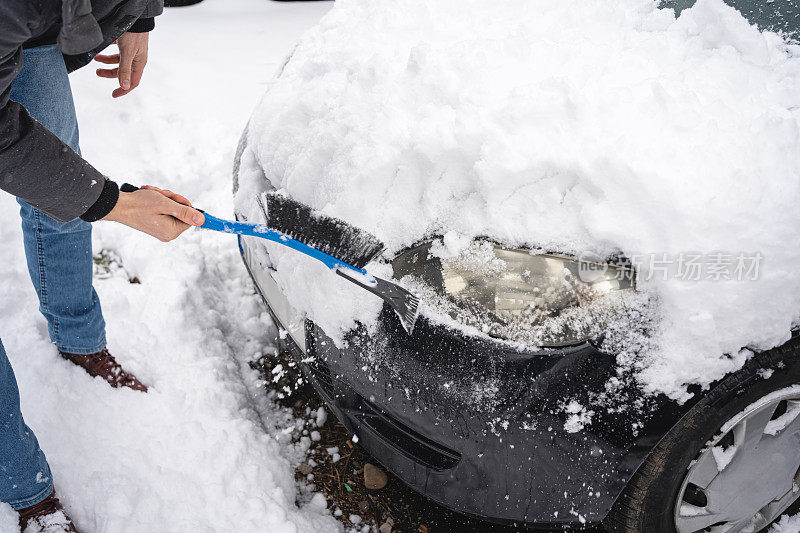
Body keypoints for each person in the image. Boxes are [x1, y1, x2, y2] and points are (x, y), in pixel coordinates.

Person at [0, 1, 205, 531]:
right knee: (77, 190)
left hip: (27, 33)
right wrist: (115, 203)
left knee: (62, 188)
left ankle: (79, 337)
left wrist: (137, 18)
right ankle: (25, 487)